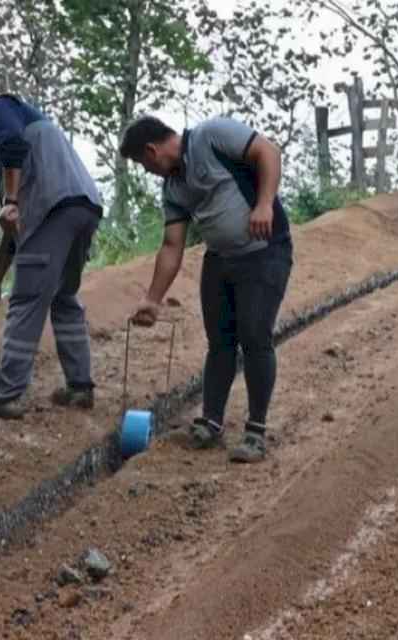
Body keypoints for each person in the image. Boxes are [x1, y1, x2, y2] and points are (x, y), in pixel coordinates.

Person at [119, 114, 293, 464]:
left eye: (141, 162)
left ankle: (256, 432)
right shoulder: (172, 187)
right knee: (220, 342)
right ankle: (210, 422)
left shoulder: (211, 137)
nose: (145, 169)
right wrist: (152, 299)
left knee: (255, 337)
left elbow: (268, 152)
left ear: (151, 151)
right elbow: (172, 246)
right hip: (220, 260)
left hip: (265, 252)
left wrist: (263, 204)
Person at [0, 91, 105, 419]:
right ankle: (80, 389)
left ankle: (5, 394)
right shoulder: (22, 136)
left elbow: (13, 152)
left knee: (25, 299)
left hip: (51, 208)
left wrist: (10, 200)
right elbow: (14, 232)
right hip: (83, 207)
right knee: (63, 297)